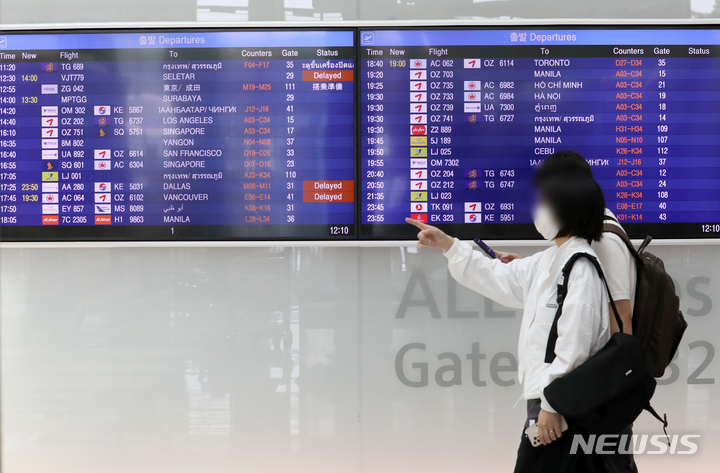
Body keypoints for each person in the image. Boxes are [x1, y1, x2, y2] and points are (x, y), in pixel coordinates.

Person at [407, 166, 611, 472]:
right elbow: (503, 277)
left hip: (561, 405)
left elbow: (575, 346)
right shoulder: (554, 258)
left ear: (566, 210)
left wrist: (552, 406)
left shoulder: (580, 267)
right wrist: (449, 244)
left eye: (547, 203)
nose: (539, 210)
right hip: (548, 399)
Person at [495, 150, 638, 473]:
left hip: (586, 398)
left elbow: (620, 318)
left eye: (548, 196)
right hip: (576, 393)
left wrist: (576, 398)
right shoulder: (579, 247)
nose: (541, 205)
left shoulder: (601, 243)